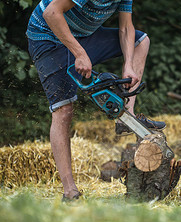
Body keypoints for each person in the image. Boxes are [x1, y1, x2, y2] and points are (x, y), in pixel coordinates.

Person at [26, 0, 166, 202]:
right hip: (48, 38)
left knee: (141, 41)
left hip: (83, 35)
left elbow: (126, 27)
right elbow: (51, 13)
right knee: (63, 111)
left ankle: (127, 116)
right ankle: (70, 192)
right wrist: (80, 54)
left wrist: (128, 65)